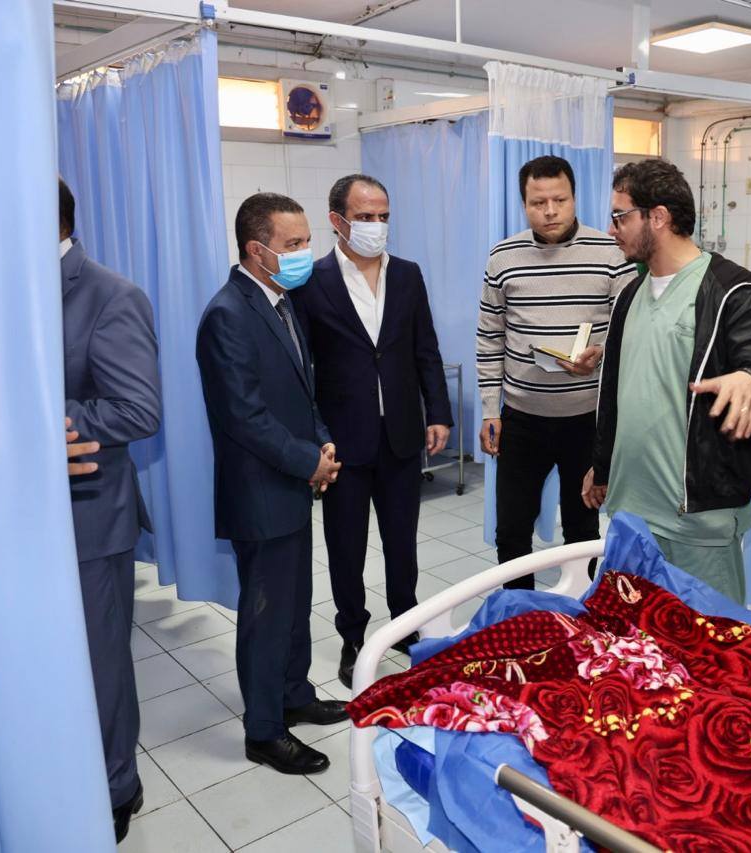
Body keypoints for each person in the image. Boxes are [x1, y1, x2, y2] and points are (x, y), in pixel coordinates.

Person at [584, 159, 751, 604]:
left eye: (620, 216)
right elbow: (617, 391)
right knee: (634, 638)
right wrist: (603, 466)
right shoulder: (630, 296)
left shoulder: (733, 291)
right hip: (629, 514)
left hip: (694, 522)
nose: (612, 229)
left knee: (708, 638)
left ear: (658, 217)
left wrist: (750, 380)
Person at [195, 192, 347, 776]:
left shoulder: (282, 302)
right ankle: (263, 730)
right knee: (265, 615)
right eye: (293, 244)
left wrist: (321, 439)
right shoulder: (227, 315)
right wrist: (308, 462)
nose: (305, 252)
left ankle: (294, 694)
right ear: (257, 251)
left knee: (293, 602)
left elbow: (303, 389)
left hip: (290, 483)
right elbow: (244, 416)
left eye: (306, 240)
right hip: (260, 491)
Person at [293, 174, 452, 689]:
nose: (377, 226)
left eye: (383, 216)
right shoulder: (311, 281)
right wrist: (314, 437)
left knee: (402, 543)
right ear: (337, 221)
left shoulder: (407, 274)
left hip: (401, 435)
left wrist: (438, 412)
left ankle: (405, 625)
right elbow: (301, 369)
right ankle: (354, 637)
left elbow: (425, 347)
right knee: (346, 548)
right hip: (343, 441)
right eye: (365, 217)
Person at [476, 155, 635, 589]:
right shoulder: (503, 257)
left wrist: (601, 352)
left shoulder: (611, 253)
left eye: (559, 200)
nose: (549, 211)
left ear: (574, 198)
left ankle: (580, 616)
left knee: (582, 530)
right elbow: (489, 337)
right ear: (524, 204)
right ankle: (520, 617)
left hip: (586, 421)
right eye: (538, 202)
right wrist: (490, 408)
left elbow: (631, 331)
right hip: (521, 419)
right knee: (511, 531)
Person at [59, 179, 161, 842]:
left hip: (90, 514)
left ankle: (117, 784)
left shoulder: (108, 295)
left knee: (101, 664)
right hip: (16, 517)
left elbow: (137, 410)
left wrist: (32, 415)